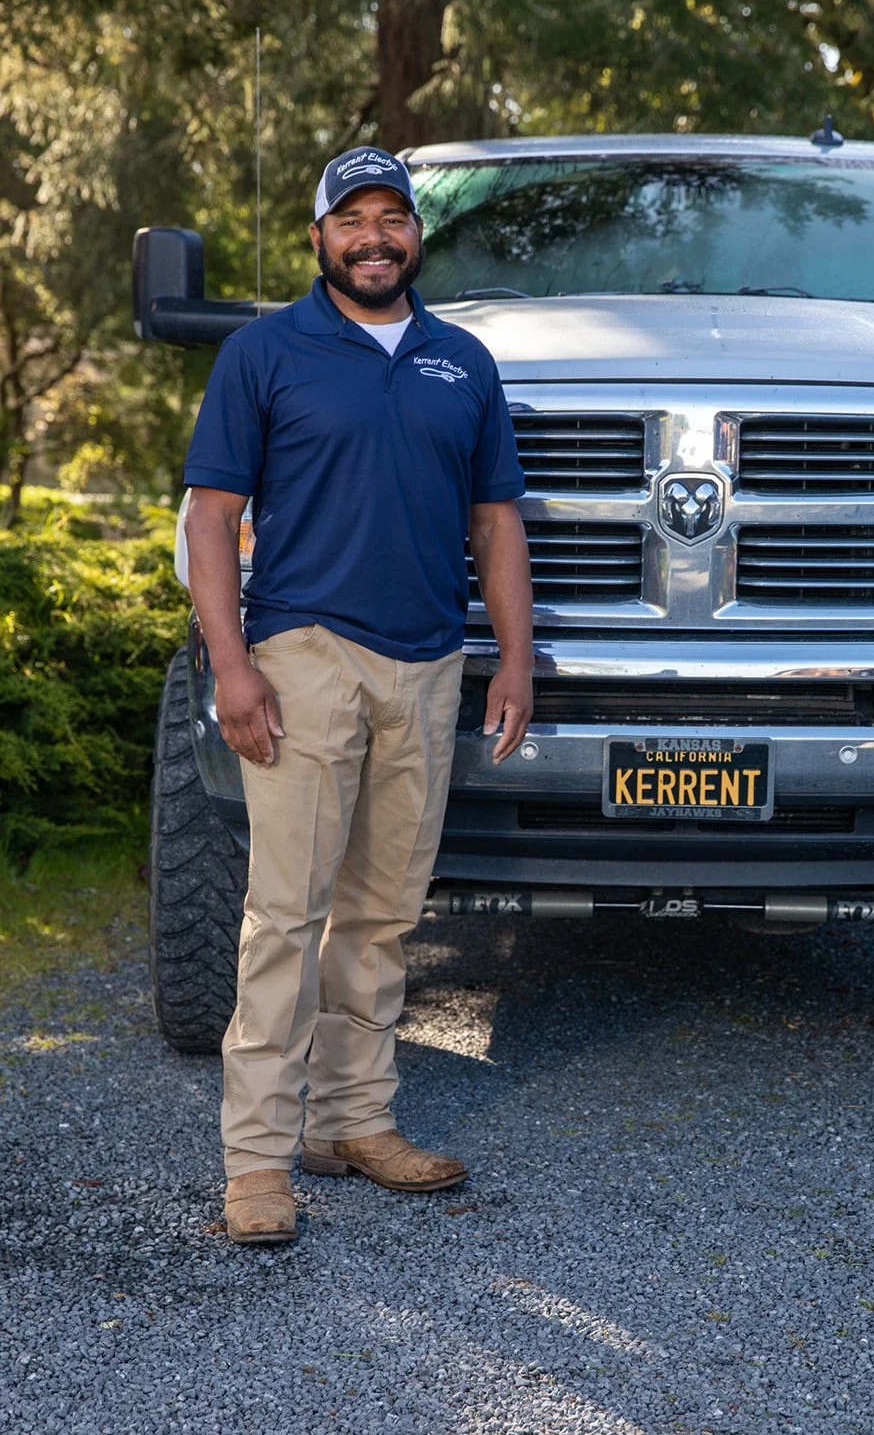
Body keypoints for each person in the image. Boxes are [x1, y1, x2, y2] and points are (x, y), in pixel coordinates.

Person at [182, 146, 533, 1245]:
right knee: (284, 915)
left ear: (414, 235)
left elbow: (495, 523)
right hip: (302, 656)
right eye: (352, 219)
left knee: (382, 914)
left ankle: (353, 1122)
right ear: (319, 234)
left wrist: (513, 659)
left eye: (391, 217)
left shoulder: (459, 362)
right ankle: (254, 1166)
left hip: (428, 661)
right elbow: (207, 518)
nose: (373, 236)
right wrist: (232, 664)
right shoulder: (264, 352)